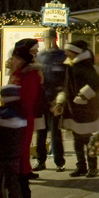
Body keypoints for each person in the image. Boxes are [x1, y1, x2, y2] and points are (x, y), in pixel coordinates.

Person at [55, 40, 99, 177]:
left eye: (68, 51)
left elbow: (97, 83)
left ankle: (92, 167)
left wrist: (83, 96)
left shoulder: (84, 66)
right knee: (77, 140)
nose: (65, 53)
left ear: (75, 52)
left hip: (86, 109)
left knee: (88, 140)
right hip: (74, 109)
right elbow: (66, 86)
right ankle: (81, 166)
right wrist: (61, 101)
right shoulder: (71, 66)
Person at [7, 38, 43, 198]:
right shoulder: (17, 73)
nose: (11, 60)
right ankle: (17, 195)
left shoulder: (29, 74)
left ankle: (22, 195)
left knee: (19, 155)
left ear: (21, 59)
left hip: (21, 119)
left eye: (14, 58)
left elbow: (27, 99)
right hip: (12, 118)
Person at [35, 31, 67, 172]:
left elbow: (65, 78)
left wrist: (59, 98)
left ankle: (59, 162)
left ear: (55, 39)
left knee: (55, 132)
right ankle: (40, 161)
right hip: (42, 98)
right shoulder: (40, 56)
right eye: (45, 38)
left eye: (49, 38)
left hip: (55, 98)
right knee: (41, 132)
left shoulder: (62, 56)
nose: (47, 41)